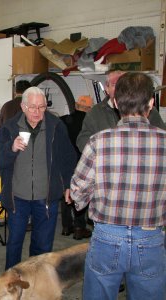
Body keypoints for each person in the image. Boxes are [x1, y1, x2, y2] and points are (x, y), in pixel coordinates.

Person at [70, 72, 166, 300]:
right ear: (151, 103)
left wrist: (86, 198)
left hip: (107, 237)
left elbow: (77, 192)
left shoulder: (98, 142)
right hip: (151, 237)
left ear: (115, 102)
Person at [0, 86, 77, 270]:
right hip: (18, 197)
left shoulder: (56, 126)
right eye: (32, 107)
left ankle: (38, 283)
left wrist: (69, 184)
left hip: (46, 197)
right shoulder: (10, 128)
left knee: (42, 247)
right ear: (23, 107)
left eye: (41, 107)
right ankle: (12, 282)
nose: (37, 112)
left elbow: (68, 158)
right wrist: (11, 148)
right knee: (14, 244)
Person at [76, 70, 166, 152]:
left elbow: (161, 135)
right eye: (115, 85)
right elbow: (82, 141)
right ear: (106, 88)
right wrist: (104, 152)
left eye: (124, 86)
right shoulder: (95, 112)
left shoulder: (147, 110)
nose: (120, 89)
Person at [59, 97, 92, 240]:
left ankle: (66, 227)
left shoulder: (63, 120)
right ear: (89, 109)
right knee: (80, 193)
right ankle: (79, 227)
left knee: (66, 193)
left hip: (65, 162)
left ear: (76, 105)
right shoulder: (89, 123)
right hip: (81, 164)